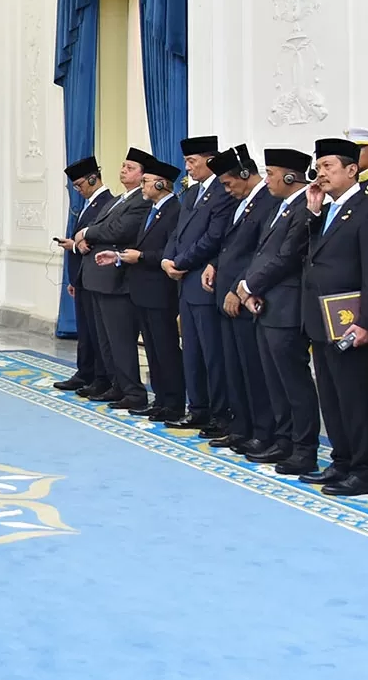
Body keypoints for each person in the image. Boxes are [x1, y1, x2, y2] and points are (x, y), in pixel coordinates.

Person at [296, 137, 368, 495]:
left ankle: (364, 470)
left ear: (352, 170)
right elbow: (308, 254)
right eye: (318, 168)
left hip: (348, 319)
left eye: (328, 168)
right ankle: (341, 461)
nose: (320, 174)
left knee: (354, 396)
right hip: (320, 318)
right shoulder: (326, 209)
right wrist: (313, 212)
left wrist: (367, 322)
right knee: (332, 397)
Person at [237, 148, 315, 470]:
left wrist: (249, 287)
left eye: (271, 173)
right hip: (267, 305)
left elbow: (286, 257)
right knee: (275, 382)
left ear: (288, 176)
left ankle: (303, 448)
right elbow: (263, 254)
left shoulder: (303, 209)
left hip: (288, 308)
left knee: (294, 383)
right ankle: (283, 442)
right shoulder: (281, 208)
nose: (266, 179)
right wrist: (251, 289)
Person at [203, 145, 279, 453]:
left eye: (228, 182)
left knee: (252, 370)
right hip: (226, 296)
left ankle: (262, 431)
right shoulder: (244, 202)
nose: (227, 189)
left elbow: (258, 253)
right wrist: (216, 266)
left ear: (245, 174)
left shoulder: (267, 202)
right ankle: (241, 426)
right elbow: (232, 246)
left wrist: (238, 288)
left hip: (245, 298)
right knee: (233, 368)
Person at [162, 138, 232, 430]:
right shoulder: (190, 194)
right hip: (185, 282)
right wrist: (167, 258)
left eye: (193, 161)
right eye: (187, 161)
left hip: (204, 281)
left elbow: (214, 237)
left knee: (211, 353)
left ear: (210, 160)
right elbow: (177, 232)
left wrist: (182, 262)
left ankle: (219, 413)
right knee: (190, 349)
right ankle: (197, 407)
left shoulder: (223, 191)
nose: (187, 167)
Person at [75, 148, 150, 410]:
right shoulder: (118, 199)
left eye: (130, 167)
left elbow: (118, 230)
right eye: (122, 165)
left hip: (117, 280)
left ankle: (133, 390)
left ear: (143, 175)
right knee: (105, 339)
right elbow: (104, 226)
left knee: (120, 339)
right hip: (98, 278)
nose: (123, 170)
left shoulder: (141, 200)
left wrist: (86, 232)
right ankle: (117, 384)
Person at [116, 155, 182, 419]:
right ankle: (161, 399)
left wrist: (141, 257)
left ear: (161, 184)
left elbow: (169, 251)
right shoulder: (152, 210)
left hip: (161, 292)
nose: (142, 186)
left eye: (146, 181)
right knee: (153, 351)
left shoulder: (174, 210)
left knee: (166, 350)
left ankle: (174, 402)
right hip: (143, 290)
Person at [53, 156, 114, 393]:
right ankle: (85, 371)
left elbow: (94, 241)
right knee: (86, 329)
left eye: (80, 185)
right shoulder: (88, 205)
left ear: (93, 178)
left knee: (96, 331)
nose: (78, 190)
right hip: (83, 277)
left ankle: (100, 375)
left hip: (96, 276)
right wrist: (74, 278)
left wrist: (78, 245)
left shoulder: (107, 203)